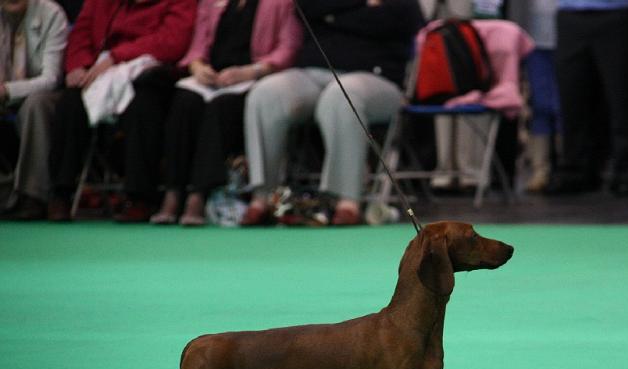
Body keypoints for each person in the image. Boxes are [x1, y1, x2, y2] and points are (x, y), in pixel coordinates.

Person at [240, 0, 424, 226]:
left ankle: (347, 202)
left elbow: (406, 18)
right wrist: (362, 8)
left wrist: (332, 15)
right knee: (265, 94)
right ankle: (262, 198)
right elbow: (307, 8)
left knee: (341, 96)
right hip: (312, 72)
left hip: (376, 79)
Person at [148, 0, 302, 226]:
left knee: (220, 108)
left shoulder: (281, 3)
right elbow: (197, 47)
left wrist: (251, 71)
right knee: (184, 102)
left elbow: (289, 48)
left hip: (251, 79)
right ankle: (172, 191)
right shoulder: (211, 3)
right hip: (212, 79)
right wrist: (198, 67)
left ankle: (198, 195)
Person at [46, 0, 196, 222]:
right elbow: (80, 35)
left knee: (144, 103)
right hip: (98, 73)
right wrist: (78, 67)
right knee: (70, 101)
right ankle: (60, 194)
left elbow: (173, 41)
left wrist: (116, 57)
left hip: (148, 74)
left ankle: (140, 197)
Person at [545, 0, 628, 196]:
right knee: (572, 95)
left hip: (619, 14)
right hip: (571, 15)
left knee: (623, 96)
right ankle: (575, 170)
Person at [0, 0, 67, 220]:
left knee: (35, 105)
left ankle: (33, 197)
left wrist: (8, 90)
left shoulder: (51, 14)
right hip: (5, 95)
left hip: (46, 95)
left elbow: (51, 79)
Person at [508, 0, 560, 193]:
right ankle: (540, 170)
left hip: (571, 32)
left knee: (564, 107)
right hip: (533, 41)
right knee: (540, 105)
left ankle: (565, 167)